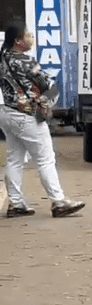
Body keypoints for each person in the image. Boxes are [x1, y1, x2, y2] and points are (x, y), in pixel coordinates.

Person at [0, 24, 85, 218]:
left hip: (6, 113)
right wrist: (46, 103)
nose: (31, 38)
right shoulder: (26, 62)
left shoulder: (2, 60)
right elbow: (50, 86)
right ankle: (59, 202)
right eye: (28, 35)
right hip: (27, 116)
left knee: (14, 158)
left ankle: (16, 204)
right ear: (18, 41)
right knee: (46, 159)